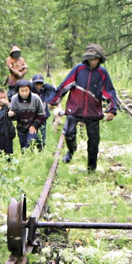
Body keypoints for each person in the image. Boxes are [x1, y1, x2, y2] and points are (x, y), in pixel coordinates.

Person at [49, 43, 117, 172]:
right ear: (87, 58)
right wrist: (54, 100)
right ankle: (71, 150)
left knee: (94, 141)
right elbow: (65, 85)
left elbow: (109, 91)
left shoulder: (102, 73)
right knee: (69, 132)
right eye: (91, 59)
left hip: (93, 111)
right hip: (75, 108)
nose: (93, 62)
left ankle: (91, 168)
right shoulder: (78, 69)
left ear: (100, 59)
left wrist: (111, 110)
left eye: (95, 59)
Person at [8, 79, 45, 151]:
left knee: (29, 145)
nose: (24, 93)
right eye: (22, 91)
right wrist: (12, 114)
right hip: (21, 128)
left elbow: (42, 115)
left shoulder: (36, 98)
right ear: (18, 91)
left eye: (26, 90)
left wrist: (34, 126)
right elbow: (14, 117)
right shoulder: (14, 99)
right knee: (23, 149)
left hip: (32, 126)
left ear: (29, 90)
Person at [31, 74, 57, 147]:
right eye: (37, 84)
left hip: (43, 116)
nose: (39, 86)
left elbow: (54, 91)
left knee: (42, 136)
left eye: (41, 83)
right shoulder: (31, 90)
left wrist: (46, 85)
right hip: (32, 116)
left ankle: (41, 148)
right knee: (33, 136)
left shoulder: (45, 90)